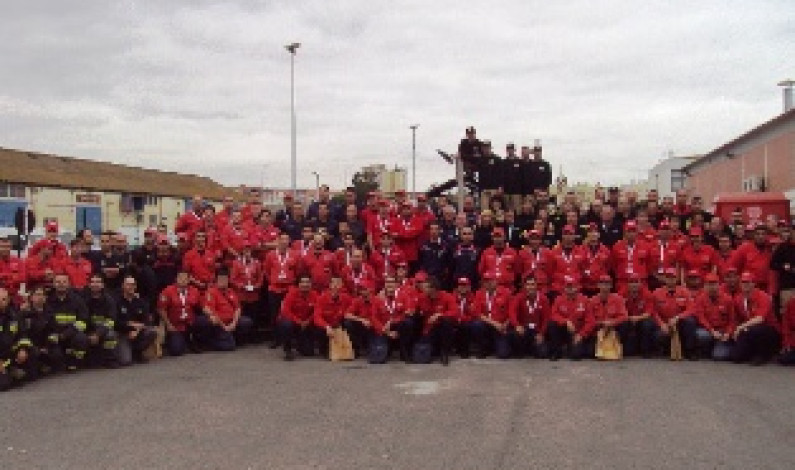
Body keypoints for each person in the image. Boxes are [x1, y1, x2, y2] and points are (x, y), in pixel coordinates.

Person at [731, 272, 781, 365]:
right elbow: (735, 318)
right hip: (748, 329)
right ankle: (752, 352)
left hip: (768, 330)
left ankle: (764, 355)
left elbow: (760, 319)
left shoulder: (763, 296)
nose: (745, 285)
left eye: (748, 282)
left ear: (754, 284)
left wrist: (740, 327)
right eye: (743, 282)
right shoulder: (738, 299)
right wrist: (734, 330)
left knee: (755, 330)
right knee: (736, 357)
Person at [45, 273, 90, 370]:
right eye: (58, 282)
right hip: (54, 335)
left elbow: (83, 321)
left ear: (69, 284)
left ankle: (75, 360)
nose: (61, 284)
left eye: (64, 282)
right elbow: (46, 321)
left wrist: (65, 334)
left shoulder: (78, 300)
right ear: (53, 284)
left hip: (72, 334)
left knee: (81, 338)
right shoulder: (47, 301)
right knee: (56, 357)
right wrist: (55, 334)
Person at [201, 269, 254, 351]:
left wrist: (234, 323)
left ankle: (230, 337)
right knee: (229, 346)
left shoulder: (231, 291)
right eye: (220, 279)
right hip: (219, 323)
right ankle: (209, 342)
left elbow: (238, 308)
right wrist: (224, 326)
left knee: (247, 321)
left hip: (231, 321)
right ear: (216, 280)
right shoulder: (211, 292)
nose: (223, 282)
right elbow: (211, 312)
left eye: (225, 279)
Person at [157, 270, 206, 356]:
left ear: (189, 280)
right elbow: (161, 309)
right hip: (175, 325)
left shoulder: (194, 291)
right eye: (180, 278)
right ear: (176, 279)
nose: (183, 280)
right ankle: (175, 340)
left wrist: (211, 315)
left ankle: (196, 341)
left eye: (185, 278)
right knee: (176, 351)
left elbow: (202, 306)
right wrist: (168, 325)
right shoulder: (167, 291)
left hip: (190, 322)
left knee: (204, 321)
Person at [546, 277, 595, 360]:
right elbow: (553, 315)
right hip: (564, 331)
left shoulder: (585, 300)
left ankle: (572, 348)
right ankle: (556, 351)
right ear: (564, 288)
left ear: (577, 287)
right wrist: (566, 321)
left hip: (578, 332)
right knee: (552, 324)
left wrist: (581, 335)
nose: (570, 289)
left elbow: (590, 322)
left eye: (572, 286)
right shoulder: (558, 299)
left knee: (576, 355)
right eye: (568, 287)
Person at [690, 273, 736, 361]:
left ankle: (727, 346)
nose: (712, 287)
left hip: (723, 332)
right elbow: (701, 318)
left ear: (719, 285)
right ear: (705, 286)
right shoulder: (700, 299)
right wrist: (712, 331)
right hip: (709, 330)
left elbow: (732, 320)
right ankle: (708, 348)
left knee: (719, 356)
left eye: (714, 284)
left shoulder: (727, 299)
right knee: (700, 335)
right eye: (709, 284)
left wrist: (728, 333)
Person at [114, 276, 158, 366]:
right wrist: (130, 326)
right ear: (123, 286)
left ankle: (137, 352)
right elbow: (115, 321)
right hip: (122, 333)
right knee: (125, 361)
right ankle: (125, 351)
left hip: (137, 333)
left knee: (152, 332)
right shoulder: (116, 301)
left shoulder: (141, 302)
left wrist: (136, 330)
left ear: (136, 286)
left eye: (133, 284)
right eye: (128, 284)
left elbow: (146, 321)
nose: (131, 287)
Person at [415, 276, 457, 365]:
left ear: (433, 288)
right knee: (424, 353)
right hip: (429, 329)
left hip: (443, 327)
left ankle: (444, 352)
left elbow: (454, 312)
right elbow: (415, 309)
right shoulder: (421, 297)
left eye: (425, 287)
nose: (422, 288)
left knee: (447, 322)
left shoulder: (447, 296)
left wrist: (439, 315)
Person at [469, 271, 512, 358]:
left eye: (490, 280)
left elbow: (512, 312)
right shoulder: (479, 293)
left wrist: (505, 325)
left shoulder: (506, 293)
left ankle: (494, 345)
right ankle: (483, 347)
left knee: (503, 354)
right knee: (476, 325)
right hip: (487, 325)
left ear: (496, 281)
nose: (488, 283)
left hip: (500, 327)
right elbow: (477, 313)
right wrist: (494, 323)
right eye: (485, 281)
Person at [277, 275, 319, 361]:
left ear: (311, 284)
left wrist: (308, 321)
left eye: (307, 282)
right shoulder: (291, 294)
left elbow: (317, 311)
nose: (305, 284)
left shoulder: (315, 295)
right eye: (302, 282)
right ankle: (287, 349)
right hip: (292, 322)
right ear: (298, 284)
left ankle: (299, 343)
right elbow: (285, 311)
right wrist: (299, 322)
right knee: (286, 325)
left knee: (308, 352)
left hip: (306, 324)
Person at [82, 274, 120, 368]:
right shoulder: (83, 300)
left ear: (103, 285)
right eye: (92, 282)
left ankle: (110, 359)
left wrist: (98, 334)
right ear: (89, 285)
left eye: (98, 282)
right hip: (88, 330)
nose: (95, 284)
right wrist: (90, 333)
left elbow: (111, 321)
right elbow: (82, 319)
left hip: (104, 330)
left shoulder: (109, 300)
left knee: (111, 334)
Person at [0, 288, 34, 390]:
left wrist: (23, 349)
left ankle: (11, 371)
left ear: (8, 300)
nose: (1, 302)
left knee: (33, 360)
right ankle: (9, 373)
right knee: (3, 385)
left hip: (9, 354)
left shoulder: (15, 315)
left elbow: (23, 335)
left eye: (3, 299)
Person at [588, 275, 631, 354]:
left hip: (614, 329)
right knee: (590, 352)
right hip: (598, 329)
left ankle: (620, 344)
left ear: (611, 286)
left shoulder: (618, 299)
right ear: (598, 285)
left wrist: (612, 322)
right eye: (602, 284)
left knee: (625, 324)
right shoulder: (592, 301)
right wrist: (601, 323)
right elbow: (589, 319)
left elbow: (624, 316)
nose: (604, 287)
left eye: (607, 284)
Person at [313, 276, 354, 358]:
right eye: (333, 283)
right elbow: (317, 317)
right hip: (326, 328)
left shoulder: (346, 298)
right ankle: (323, 347)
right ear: (329, 285)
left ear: (342, 286)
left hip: (340, 326)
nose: (336, 286)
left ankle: (351, 347)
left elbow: (354, 308)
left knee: (349, 323)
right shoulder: (322, 298)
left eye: (338, 283)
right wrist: (326, 326)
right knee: (318, 328)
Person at [508, 276, 549, 358]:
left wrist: (541, 333)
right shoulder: (519, 297)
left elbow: (546, 318)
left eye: (532, 284)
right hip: (523, 329)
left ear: (536, 285)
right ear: (525, 286)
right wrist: (517, 325)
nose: (530, 287)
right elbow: (512, 312)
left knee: (542, 354)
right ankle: (522, 350)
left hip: (536, 330)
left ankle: (532, 348)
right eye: (528, 284)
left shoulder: (543, 299)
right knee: (514, 335)